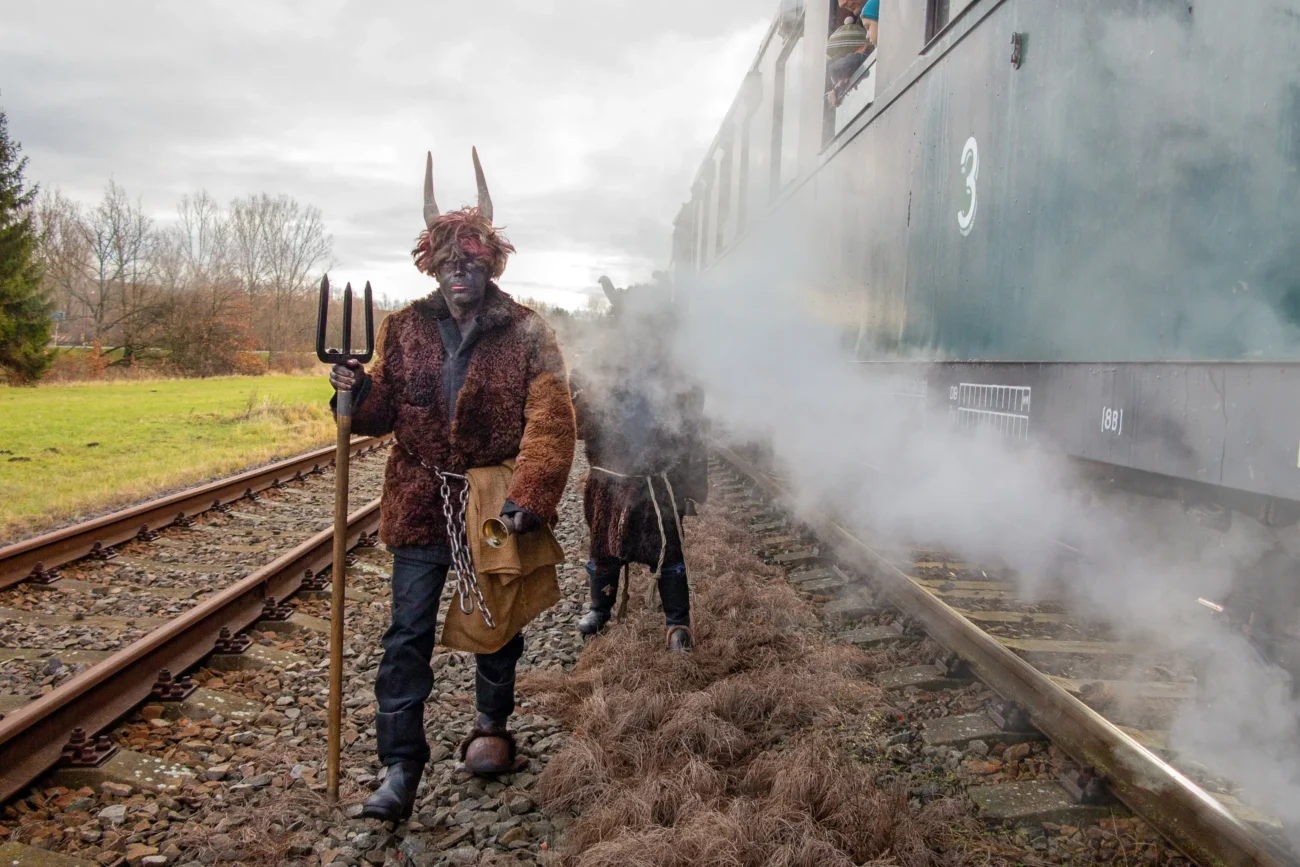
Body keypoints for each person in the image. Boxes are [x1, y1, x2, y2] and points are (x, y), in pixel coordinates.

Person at [329, 149, 576, 822]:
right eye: (447, 262)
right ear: (431, 265)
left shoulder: (527, 330)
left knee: (497, 624)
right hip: (418, 502)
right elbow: (378, 417)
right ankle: (399, 765)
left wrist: (534, 490)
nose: (460, 271)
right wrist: (354, 391)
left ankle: (491, 725)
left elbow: (552, 416)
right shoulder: (404, 328)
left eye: (472, 260)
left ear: (491, 262)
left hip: (494, 500)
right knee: (406, 633)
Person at [571, 276, 707, 652]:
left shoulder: (679, 367)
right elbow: (578, 421)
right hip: (611, 476)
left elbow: (694, 429)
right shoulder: (600, 361)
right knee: (604, 547)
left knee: (669, 553)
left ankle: (678, 624)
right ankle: (600, 608)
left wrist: (693, 487)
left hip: (658, 480)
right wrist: (587, 397)